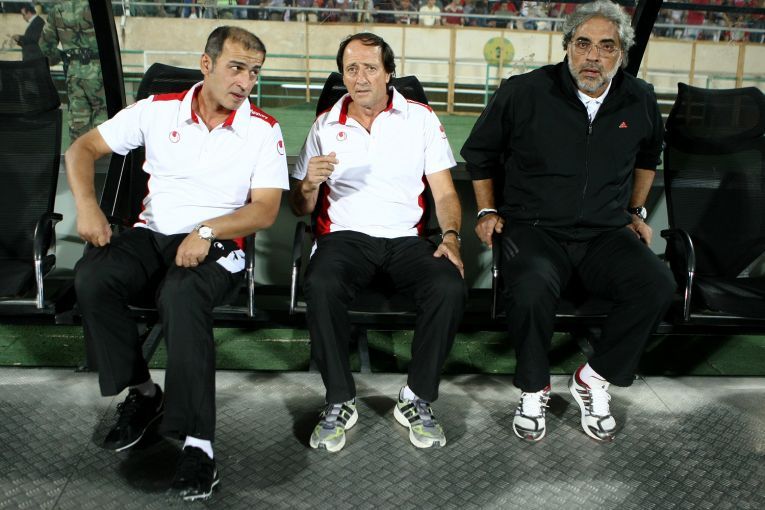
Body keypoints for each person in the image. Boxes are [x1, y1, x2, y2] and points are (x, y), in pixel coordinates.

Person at [66, 26, 288, 500]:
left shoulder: (262, 129)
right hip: (152, 234)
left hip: (220, 244)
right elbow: (81, 149)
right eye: (236, 68)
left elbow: (265, 210)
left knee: (182, 294)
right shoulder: (157, 110)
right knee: (92, 276)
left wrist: (206, 231)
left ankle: (198, 446)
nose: (245, 82)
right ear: (207, 64)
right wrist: (87, 206)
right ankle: (145, 395)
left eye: (254, 72)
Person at [461, 0, 675, 443]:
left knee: (657, 284)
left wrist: (636, 212)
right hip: (534, 229)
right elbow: (480, 153)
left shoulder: (640, 98)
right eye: (583, 44)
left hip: (604, 233)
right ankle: (533, 388)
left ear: (621, 54)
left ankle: (593, 379)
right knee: (531, 286)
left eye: (606, 46)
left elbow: (647, 157)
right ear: (567, 47)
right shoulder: (524, 91)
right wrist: (486, 210)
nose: (593, 56)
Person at [290, 33, 466, 452]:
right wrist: (309, 184)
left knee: (448, 284)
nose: (360, 77)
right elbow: (299, 206)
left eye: (370, 68)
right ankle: (339, 399)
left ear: (389, 73)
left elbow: (444, 193)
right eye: (351, 69)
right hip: (344, 237)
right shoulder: (325, 124)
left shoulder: (421, 118)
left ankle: (416, 397)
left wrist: (451, 237)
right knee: (321, 283)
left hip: (406, 238)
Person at [39, 0, 106, 142]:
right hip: (99, 71)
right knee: (104, 119)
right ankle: (101, 155)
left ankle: (79, 154)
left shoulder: (57, 9)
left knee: (78, 123)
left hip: (74, 72)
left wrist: (62, 57)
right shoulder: (98, 6)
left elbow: (45, 46)